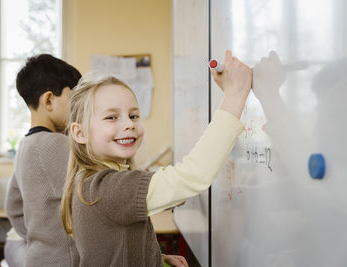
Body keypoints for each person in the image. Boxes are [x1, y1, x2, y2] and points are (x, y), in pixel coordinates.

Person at [60, 50, 252, 266]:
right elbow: (191, 176)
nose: (128, 124)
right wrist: (235, 95)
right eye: (111, 117)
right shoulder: (107, 187)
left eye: (133, 115)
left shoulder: (94, 181)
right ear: (79, 133)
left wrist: (154, 257)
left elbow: (111, 249)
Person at [4, 54, 82, 267]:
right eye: (74, 99)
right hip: (64, 261)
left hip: (37, 257)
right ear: (49, 100)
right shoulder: (58, 144)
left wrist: (37, 238)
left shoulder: (24, 146)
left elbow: (12, 206)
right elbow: (90, 197)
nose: (78, 110)